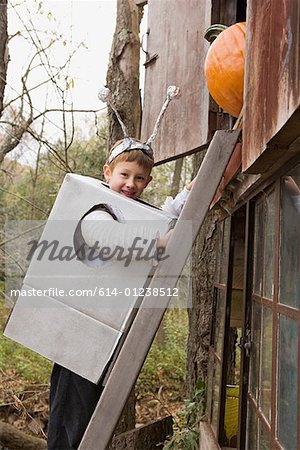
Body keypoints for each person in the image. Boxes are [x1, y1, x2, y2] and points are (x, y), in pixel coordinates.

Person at [47, 138, 195, 449]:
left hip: (104, 333)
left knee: (89, 415)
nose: (131, 184)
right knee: (70, 415)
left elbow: (162, 215)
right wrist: (159, 244)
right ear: (107, 173)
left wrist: (189, 193)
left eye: (139, 178)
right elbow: (110, 237)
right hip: (78, 331)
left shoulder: (133, 214)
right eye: (124, 175)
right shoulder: (98, 210)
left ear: (148, 181)